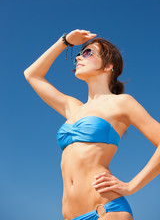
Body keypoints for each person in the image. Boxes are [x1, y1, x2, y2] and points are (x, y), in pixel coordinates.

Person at [24, 29, 160, 220]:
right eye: (78, 54)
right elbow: (32, 75)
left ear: (108, 66)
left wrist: (132, 185)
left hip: (106, 211)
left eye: (88, 53)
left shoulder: (122, 103)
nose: (79, 58)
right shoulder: (72, 107)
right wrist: (65, 41)